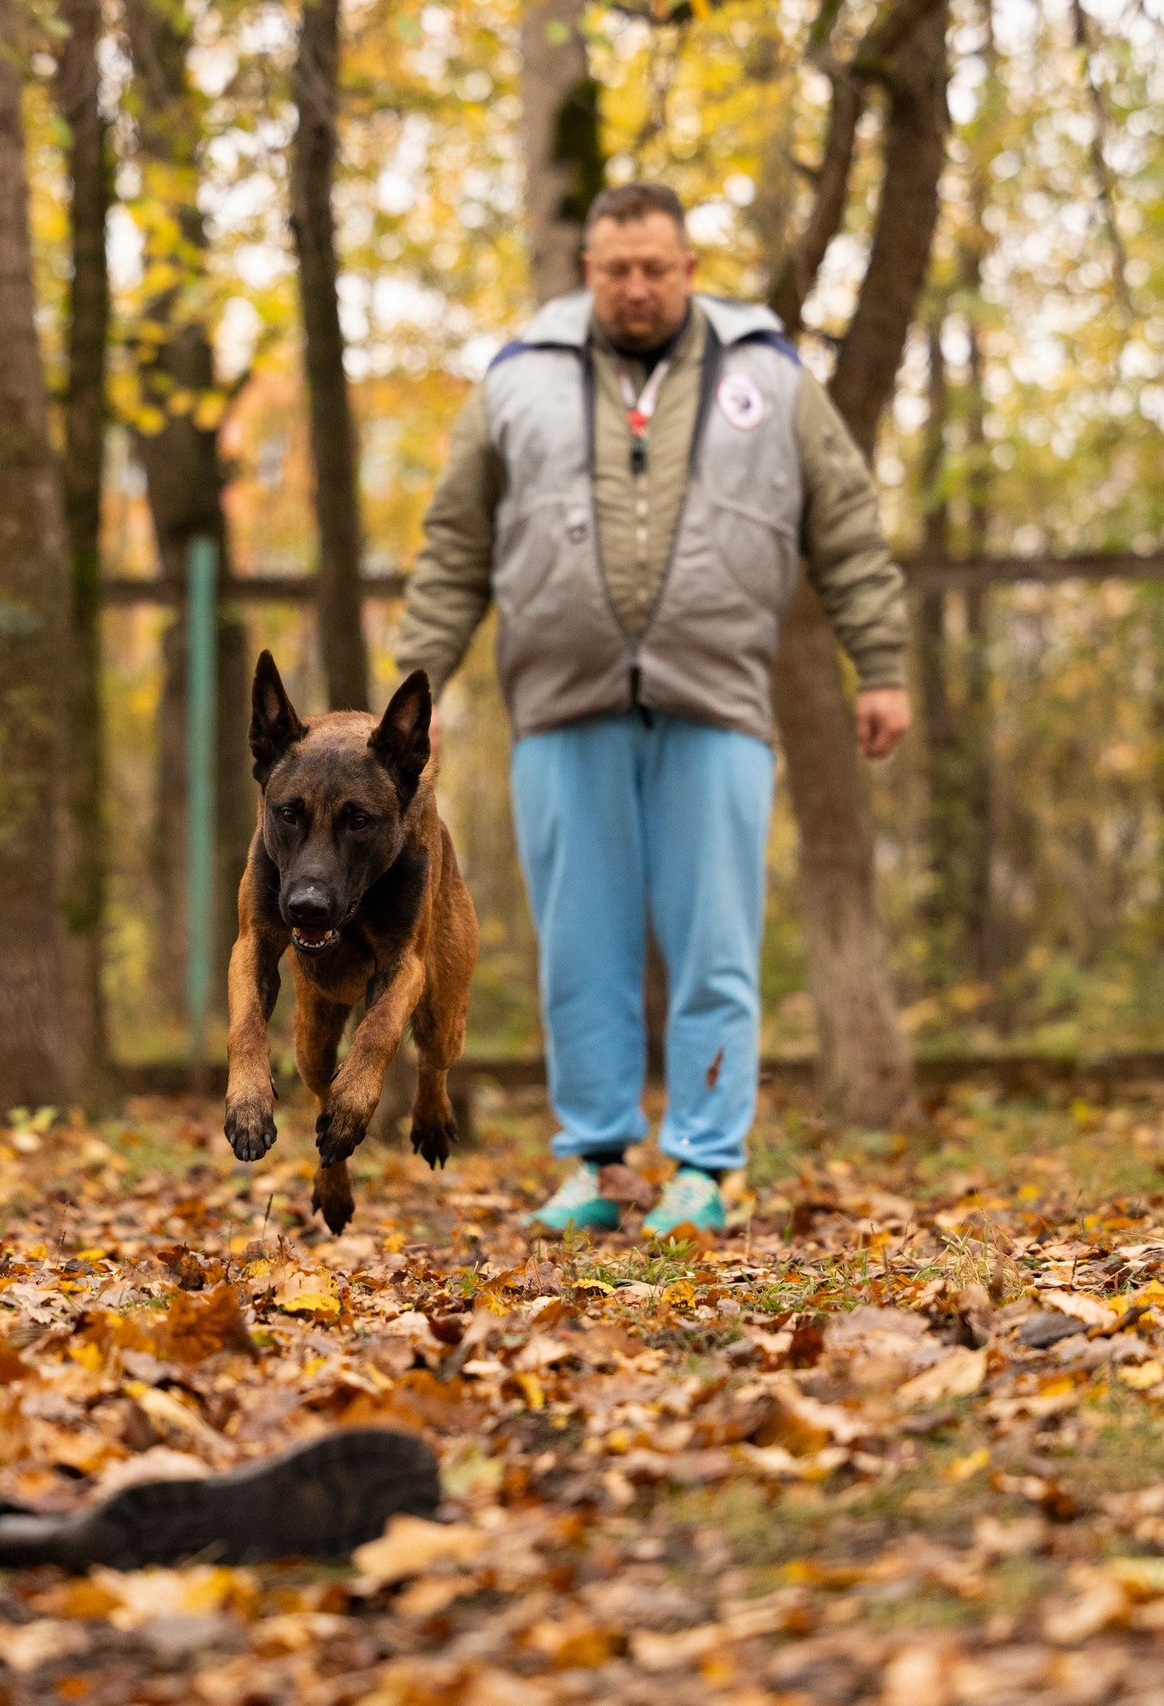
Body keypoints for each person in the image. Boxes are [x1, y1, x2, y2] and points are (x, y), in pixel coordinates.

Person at [392, 182, 911, 1237]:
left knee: (715, 939)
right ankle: (594, 1162)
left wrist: (883, 662)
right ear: (588, 271)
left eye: (656, 268)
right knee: (580, 945)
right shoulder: (517, 381)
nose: (636, 287)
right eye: (616, 269)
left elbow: (846, 522)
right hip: (560, 704)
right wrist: (419, 688)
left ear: (688, 269)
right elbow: (454, 547)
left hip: (715, 699)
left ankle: (705, 1168)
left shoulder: (765, 372)